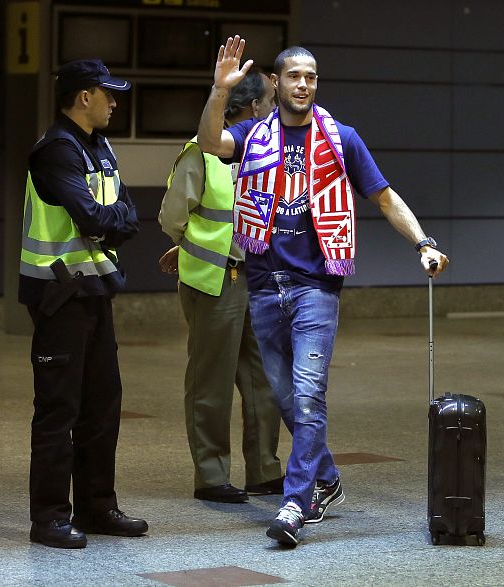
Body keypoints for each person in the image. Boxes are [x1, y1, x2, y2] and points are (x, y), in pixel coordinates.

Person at [196, 36, 449, 546]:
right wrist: (220, 91)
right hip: (264, 284)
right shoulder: (253, 133)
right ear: (276, 82)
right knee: (285, 397)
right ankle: (327, 477)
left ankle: (296, 501)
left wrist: (423, 242)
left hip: (316, 285)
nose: (304, 85)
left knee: (309, 395)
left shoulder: (341, 139)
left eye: (311, 77)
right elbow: (208, 144)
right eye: (294, 76)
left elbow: (383, 197)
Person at [19, 58, 146, 549]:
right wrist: (111, 221)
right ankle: (49, 518)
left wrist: (110, 221)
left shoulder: (99, 146)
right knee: (59, 409)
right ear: (84, 97)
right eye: (107, 93)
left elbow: (127, 214)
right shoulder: (56, 150)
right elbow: (91, 218)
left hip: (95, 290)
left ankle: (97, 507)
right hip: (60, 294)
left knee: (102, 405)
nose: (114, 102)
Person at [158, 70, 284, 504]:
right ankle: (211, 476)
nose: (276, 108)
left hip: (259, 279)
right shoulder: (201, 152)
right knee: (211, 381)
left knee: (263, 379)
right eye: (271, 101)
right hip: (215, 278)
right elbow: (172, 216)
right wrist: (188, 245)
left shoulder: (269, 151)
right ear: (254, 107)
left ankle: (264, 470)